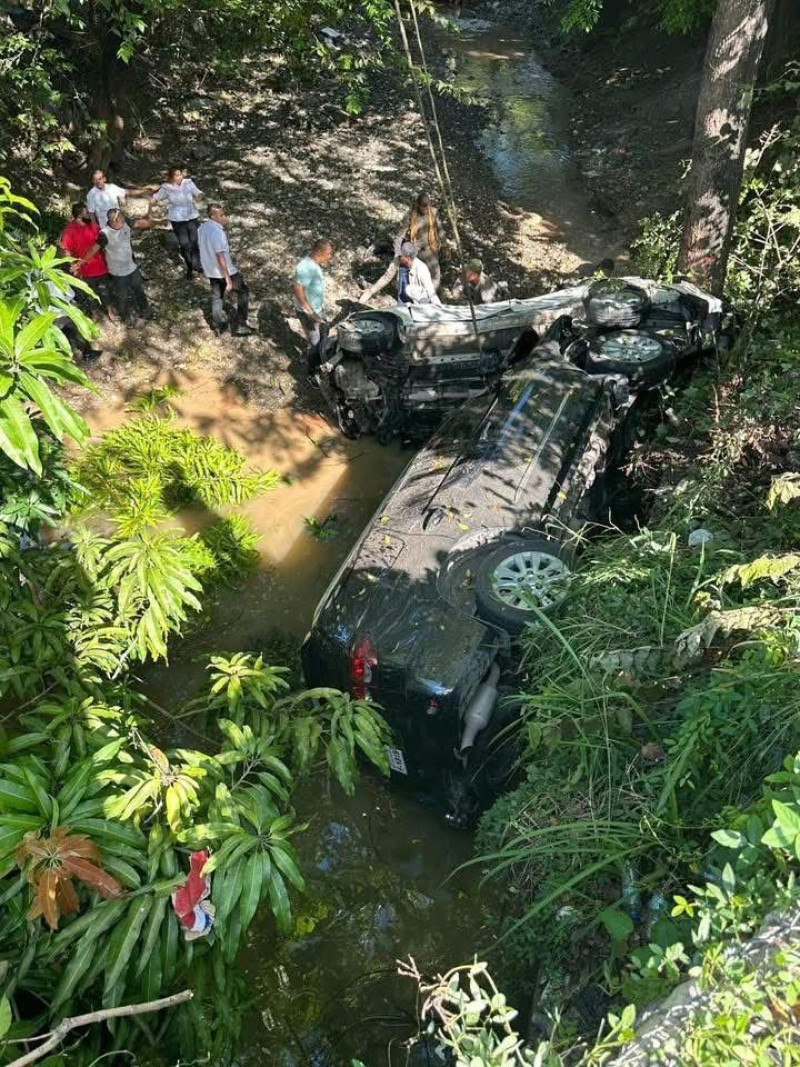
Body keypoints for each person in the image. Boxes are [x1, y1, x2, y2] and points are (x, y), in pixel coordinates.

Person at [97, 208, 164, 323]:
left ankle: (146, 312)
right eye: (121, 220)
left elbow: (138, 223)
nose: (124, 222)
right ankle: (127, 319)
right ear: (114, 221)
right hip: (118, 273)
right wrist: (80, 262)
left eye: (124, 220)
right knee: (122, 296)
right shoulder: (105, 234)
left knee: (139, 290)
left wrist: (158, 222)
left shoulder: (125, 223)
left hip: (132, 268)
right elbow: (95, 248)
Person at [197, 203, 254, 337]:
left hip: (211, 270)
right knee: (243, 291)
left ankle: (218, 327)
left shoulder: (202, 228)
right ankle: (241, 324)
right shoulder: (218, 232)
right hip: (226, 271)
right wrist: (228, 279)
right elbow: (220, 256)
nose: (224, 217)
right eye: (221, 215)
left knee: (217, 297)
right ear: (212, 216)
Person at [59, 203, 113, 317]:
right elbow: (65, 251)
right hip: (85, 270)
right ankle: (95, 314)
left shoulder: (92, 225)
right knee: (90, 293)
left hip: (100, 266)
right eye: (87, 213)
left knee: (105, 290)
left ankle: (110, 311)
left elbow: (101, 241)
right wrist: (74, 266)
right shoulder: (69, 231)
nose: (89, 214)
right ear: (79, 216)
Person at [150, 167, 204, 278]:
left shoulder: (188, 183)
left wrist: (199, 196)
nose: (180, 177)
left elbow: (197, 192)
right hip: (177, 219)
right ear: (171, 177)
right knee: (185, 244)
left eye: (181, 174)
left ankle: (197, 265)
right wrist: (151, 208)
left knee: (194, 242)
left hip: (191, 215)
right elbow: (155, 198)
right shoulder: (166, 188)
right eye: (177, 175)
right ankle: (189, 268)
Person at [293, 239, 334, 374]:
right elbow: (298, 290)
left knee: (322, 336)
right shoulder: (305, 267)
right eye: (328, 254)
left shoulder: (313, 264)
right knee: (316, 344)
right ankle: (312, 372)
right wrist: (311, 314)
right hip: (308, 313)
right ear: (319, 252)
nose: (330, 257)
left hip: (316, 309)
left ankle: (313, 357)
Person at [360, 241, 441, 307]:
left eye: (401, 256)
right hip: (402, 301)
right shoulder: (397, 261)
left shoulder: (421, 268)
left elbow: (430, 290)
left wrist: (438, 307)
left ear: (408, 258)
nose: (398, 257)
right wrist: (370, 291)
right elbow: (387, 277)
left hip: (418, 303)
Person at [398, 192, 447, 292]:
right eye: (422, 207)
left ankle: (430, 297)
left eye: (426, 207)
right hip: (415, 251)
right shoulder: (410, 216)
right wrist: (399, 252)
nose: (424, 210)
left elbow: (440, 230)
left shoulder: (434, 212)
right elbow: (401, 235)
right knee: (415, 275)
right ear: (417, 204)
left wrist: (445, 246)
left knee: (435, 275)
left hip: (430, 250)